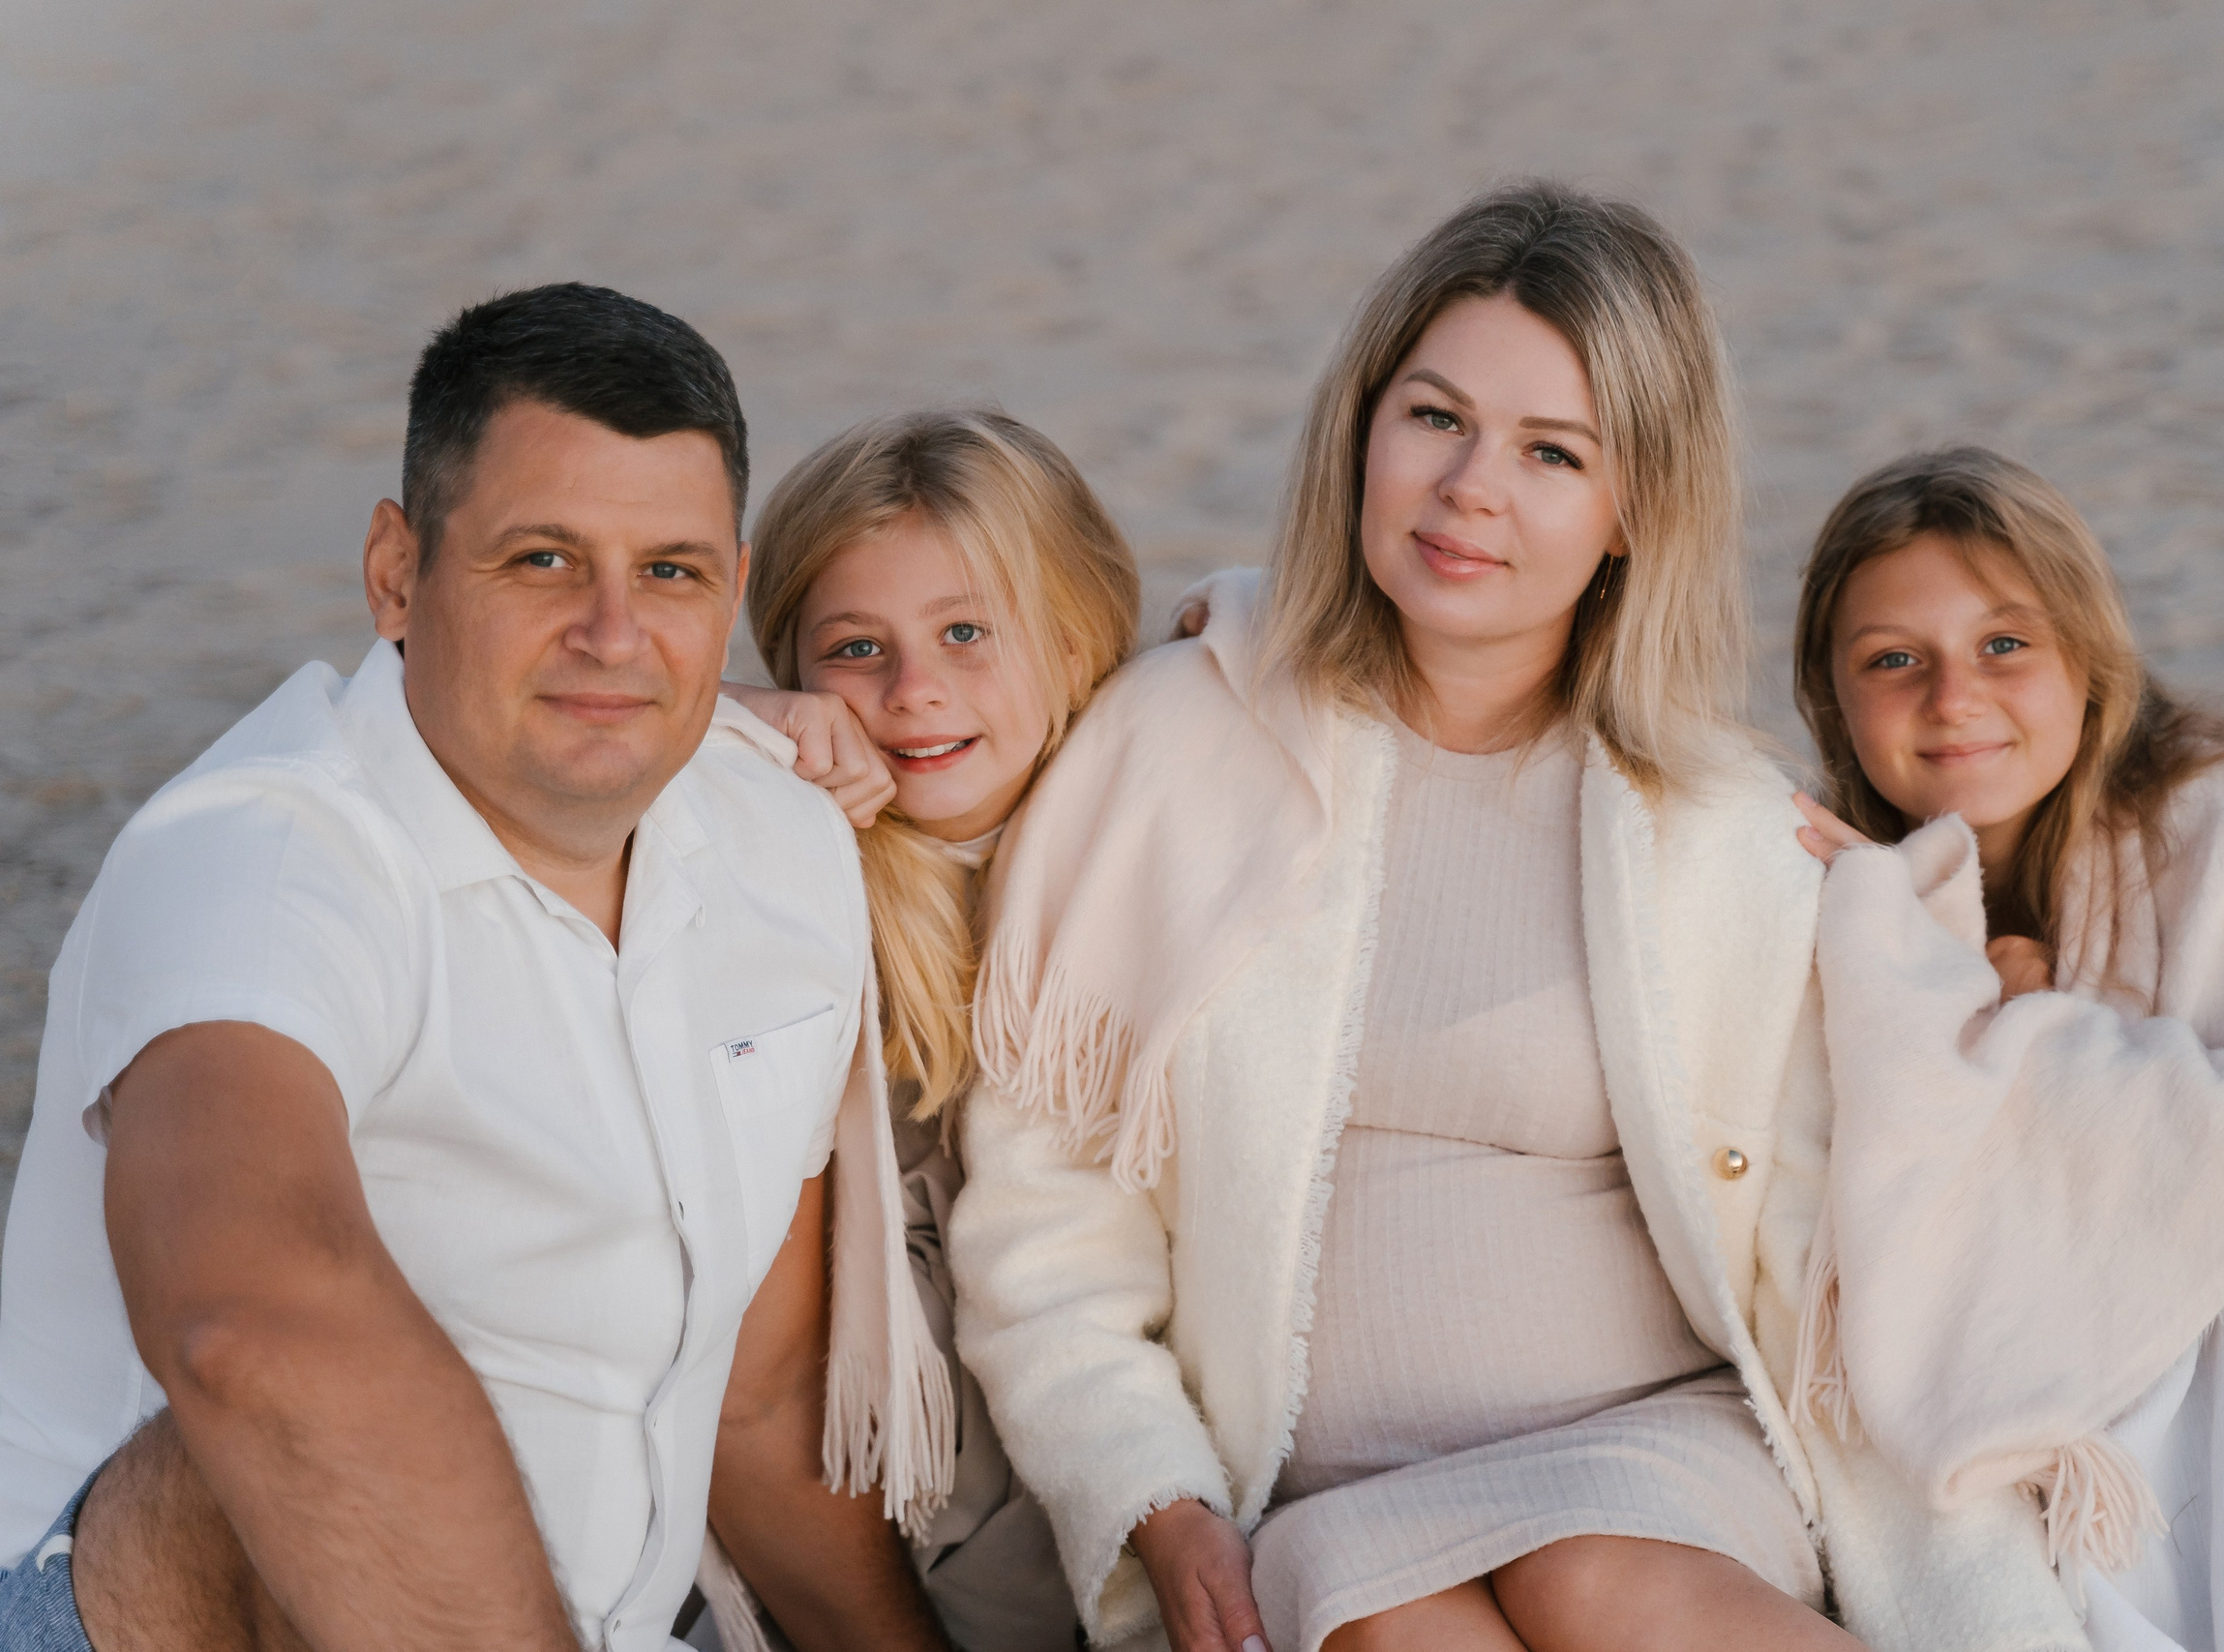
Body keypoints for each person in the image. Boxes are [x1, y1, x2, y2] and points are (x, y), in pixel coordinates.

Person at [944, 182, 2094, 1652]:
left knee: (1594, 1578)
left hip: (1656, 1457)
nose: (1469, 487)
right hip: (1319, 1501)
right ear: (1362, 430)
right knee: (1379, 1614)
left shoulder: (1718, 828)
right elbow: (1042, 1217)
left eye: (1553, 452)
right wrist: (1153, 1497)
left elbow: (1835, 1243)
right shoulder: (1174, 748)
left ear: (1632, 513)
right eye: (1435, 418)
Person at [0, 284, 947, 1652]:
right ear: (398, 572)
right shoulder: (260, 856)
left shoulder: (784, 845)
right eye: (543, 560)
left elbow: (749, 1400)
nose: (614, 633)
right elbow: (242, 1332)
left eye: (670, 573)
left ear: (733, 588)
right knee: (285, 1408)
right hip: (116, 1614)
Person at [1787, 446, 2224, 1651]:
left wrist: (2026, 1038)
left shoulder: (2212, 830)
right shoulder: (1840, 896)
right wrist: (1923, 970)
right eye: (1893, 660)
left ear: (2087, 662)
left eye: (2005, 644)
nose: (1953, 697)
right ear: (1830, 696)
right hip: (2029, 1417)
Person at [708, 407, 1141, 1652]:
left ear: (1071, 639)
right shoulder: (788, 883)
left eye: (966, 632)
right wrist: (723, 718)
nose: (913, 692)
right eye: (856, 649)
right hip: (909, 1509)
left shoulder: (1151, 821)